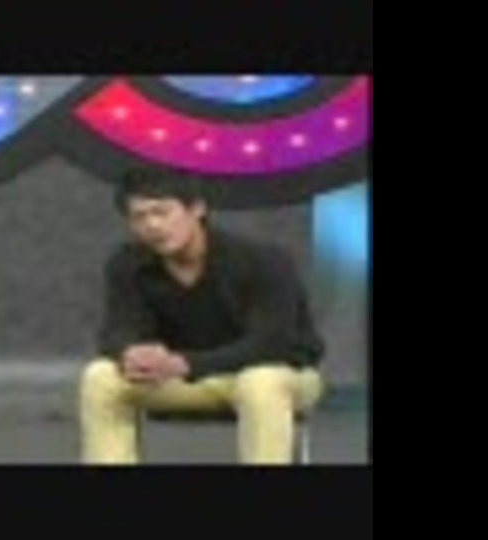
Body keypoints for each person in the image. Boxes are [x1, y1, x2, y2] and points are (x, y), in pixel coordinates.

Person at [79, 167, 325, 465]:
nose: (152, 225)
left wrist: (186, 363)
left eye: (162, 212)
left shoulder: (263, 260)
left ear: (197, 209)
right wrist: (130, 352)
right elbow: (117, 329)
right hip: (180, 378)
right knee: (101, 376)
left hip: (277, 375)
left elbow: (273, 343)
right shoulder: (128, 263)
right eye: (139, 217)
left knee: (261, 382)